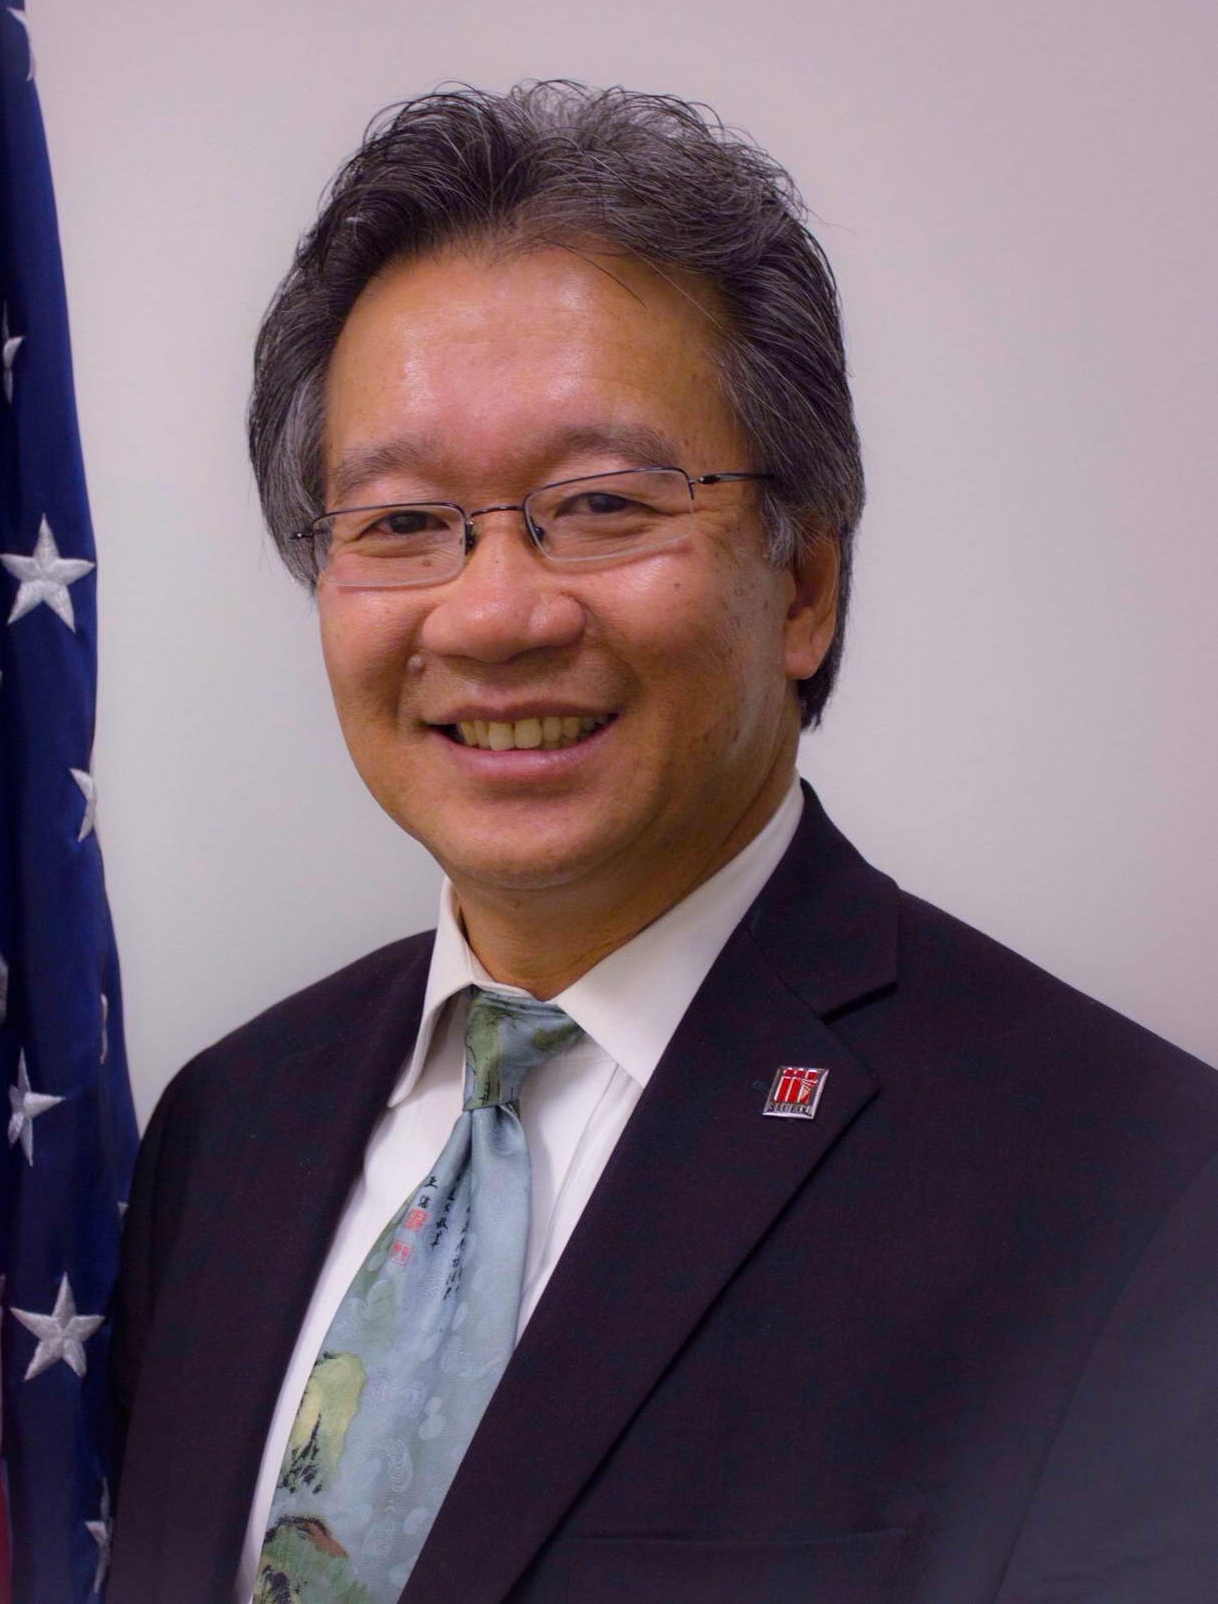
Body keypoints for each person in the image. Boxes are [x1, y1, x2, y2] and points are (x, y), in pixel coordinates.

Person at [107, 84, 1218, 1604]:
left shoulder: (1132, 1192)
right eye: (402, 523)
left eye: (601, 504)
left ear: (804, 580)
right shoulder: (226, 1133)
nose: (494, 615)